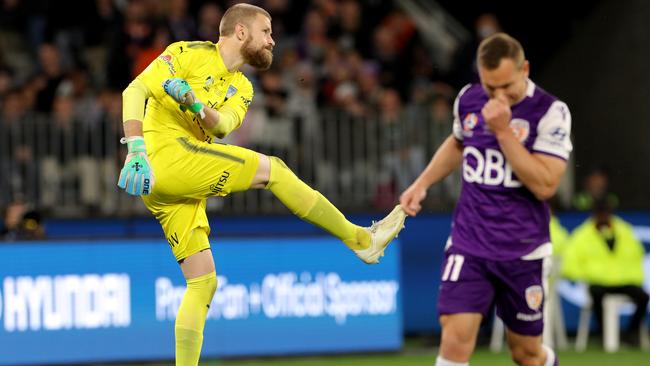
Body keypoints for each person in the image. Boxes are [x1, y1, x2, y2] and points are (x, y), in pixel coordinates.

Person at [116, 4, 406, 365]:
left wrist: (193, 104)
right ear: (241, 32)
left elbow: (221, 126)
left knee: (202, 283)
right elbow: (135, 89)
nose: (273, 40)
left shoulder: (242, 87)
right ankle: (360, 239)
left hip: (169, 184)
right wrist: (136, 148)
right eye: (266, 31)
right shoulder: (186, 54)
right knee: (275, 171)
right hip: (162, 158)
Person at [400, 33, 572, 366]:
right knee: (454, 341)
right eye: (490, 87)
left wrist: (504, 132)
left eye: (506, 86)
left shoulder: (550, 112)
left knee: (526, 355)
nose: (498, 96)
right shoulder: (468, 99)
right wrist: (422, 183)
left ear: (525, 69)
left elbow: (545, 185)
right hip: (470, 244)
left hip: (522, 250)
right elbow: (457, 143)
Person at [562, 198, 648, 346]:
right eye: (600, 213)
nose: (603, 217)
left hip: (624, 281)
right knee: (596, 294)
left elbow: (637, 254)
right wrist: (586, 275)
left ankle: (631, 333)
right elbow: (569, 263)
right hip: (598, 281)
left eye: (606, 213)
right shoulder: (582, 235)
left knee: (643, 297)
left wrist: (635, 277)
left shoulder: (624, 231)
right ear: (594, 214)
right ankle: (604, 334)